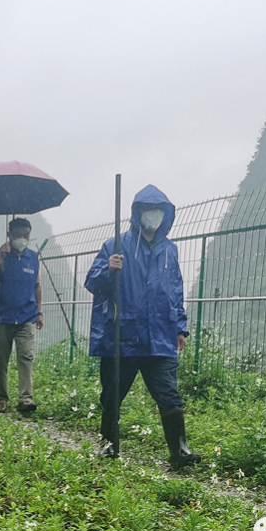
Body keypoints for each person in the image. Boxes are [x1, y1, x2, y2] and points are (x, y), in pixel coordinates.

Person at [85, 185, 201, 468]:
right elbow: (93, 283)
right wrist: (107, 269)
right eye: (148, 210)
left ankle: (180, 450)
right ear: (137, 214)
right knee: (113, 393)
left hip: (160, 336)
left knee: (168, 392)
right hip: (122, 336)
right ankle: (109, 444)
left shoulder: (170, 251)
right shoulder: (116, 246)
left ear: (166, 214)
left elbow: (175, 290)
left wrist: (180, 328)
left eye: (159, 210)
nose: (154, 216)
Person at [0, 218, 44, 413]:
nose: (23, 239)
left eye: (26, 235)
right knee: (0, 360)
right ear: (9, 235)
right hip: (0, 317)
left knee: (26, 356)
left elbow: (37, 285)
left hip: (27, 316)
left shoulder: (33, 258)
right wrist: (1, 258)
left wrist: (39, 311)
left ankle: (26, 398)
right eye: (19, 235)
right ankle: (1, 398)